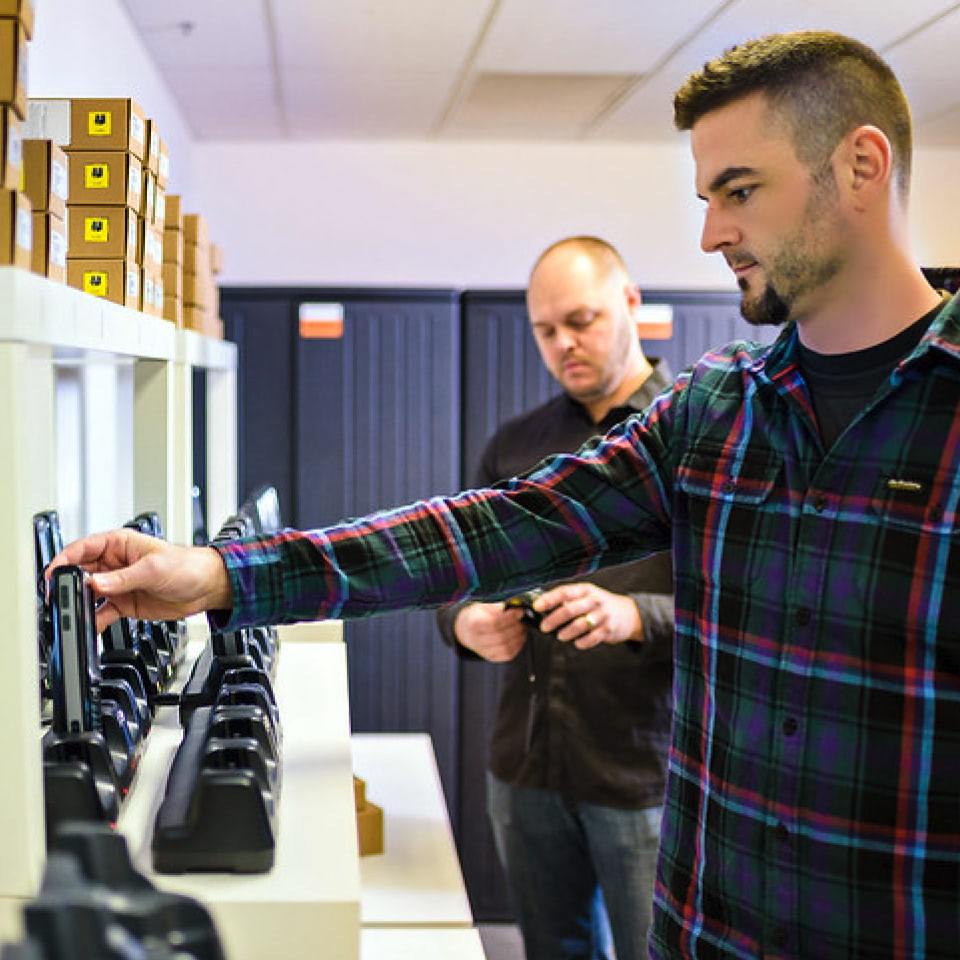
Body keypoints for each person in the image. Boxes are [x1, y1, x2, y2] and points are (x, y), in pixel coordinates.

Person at [52, 31, 960, 959]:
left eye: (740, 190)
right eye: (707, 198)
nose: (711, 232)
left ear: (860, 165)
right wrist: (213, 574)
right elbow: (485, 534)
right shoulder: (718, 411)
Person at [436, 236, 673, 960]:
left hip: (645, 774)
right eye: (545, 330)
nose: (563, 343)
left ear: (631, 304)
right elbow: (455, 575)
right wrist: (464, 624)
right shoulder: (517, 447)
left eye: (582, 320)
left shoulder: (695, 435)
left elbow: (754, 606)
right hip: (528, 766)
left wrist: (635, 615)